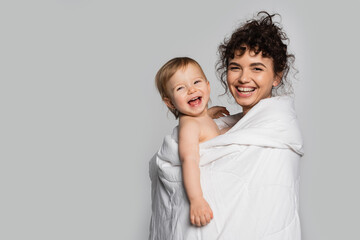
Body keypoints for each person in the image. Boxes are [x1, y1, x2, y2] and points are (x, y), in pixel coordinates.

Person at [149, 11, 303, 239]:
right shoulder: (216, 123)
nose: (243, 78)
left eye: (257, 68)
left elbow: (266, 216)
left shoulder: (274, 139)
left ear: (277, 76)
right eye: (235, 67)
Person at [155, 57, 229, 227]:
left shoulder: (198, 118)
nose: (191, 89)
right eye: (180, 88)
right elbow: (189, 160)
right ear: (170, 102)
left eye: (197, 82)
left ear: (208, 86)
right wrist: (196, 200)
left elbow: (204, 127)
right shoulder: (189, 127)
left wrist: (208, 113)